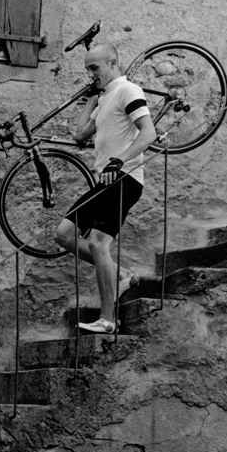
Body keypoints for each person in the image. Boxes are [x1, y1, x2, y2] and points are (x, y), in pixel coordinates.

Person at [54, 43, 157, 334]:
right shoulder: (105, 98)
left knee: (99, 243)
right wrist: (91, 100)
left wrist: (119, 160)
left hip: (124, 177)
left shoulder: (128, 90)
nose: (90, 74)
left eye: (94, 68)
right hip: (105, 181)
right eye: (87, 69)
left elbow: (148, 132)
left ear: (113, 63)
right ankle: (124, 275)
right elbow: (79, 134)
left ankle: (109, 320)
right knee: (63, 234)